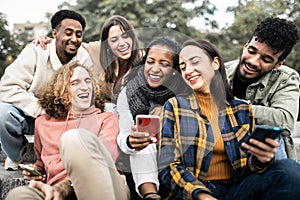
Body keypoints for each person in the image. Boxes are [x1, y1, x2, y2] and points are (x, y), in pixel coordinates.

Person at [158, 39, 300, 200]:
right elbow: (167, 165)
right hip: (194, 193)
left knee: (289, 170)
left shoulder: (241, 110)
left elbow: (247, 169)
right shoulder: (175, 106)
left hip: (234, 192)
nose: (188, 71)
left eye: (195, 62)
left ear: (215, 63)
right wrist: (202, 195)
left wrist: (260, 161)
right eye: (183, 67)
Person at [6, 61, 129, 200]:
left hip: (103, 186)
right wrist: (36, 172)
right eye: (75, 83)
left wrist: (65, 186)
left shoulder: (107, 119)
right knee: (19, 195)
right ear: (61, 90)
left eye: (88, 81)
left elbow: (105, 161)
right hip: (56, 190)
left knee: (73, 139)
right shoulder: (42, 123)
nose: (84, 87)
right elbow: (41, 162)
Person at [0, 9, 92, 171]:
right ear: (54, 33)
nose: (74, 39)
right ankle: (16, 155)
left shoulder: (83, 57)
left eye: (78, 35)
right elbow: (7, 87)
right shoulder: (35, 51)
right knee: (3, 113)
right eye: (68, 33)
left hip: (66, 118)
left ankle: (67, 161)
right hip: (31, 115)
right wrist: (42, 109)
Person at [117, 37, 190, 200]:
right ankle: (150, 195)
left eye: (164, 64)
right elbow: (122, 135)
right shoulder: (129, 92)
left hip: (176, 153)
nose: (155, 69)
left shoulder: (185, 90)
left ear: (173, 69)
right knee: (144, 140)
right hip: (141, 160)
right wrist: (130, 141)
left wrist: (169, 109)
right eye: (150, 62)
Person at [225, 17, 299, 159]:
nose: (253, 62)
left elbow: (285, 120)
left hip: (267, 156)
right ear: (245, 46)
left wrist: (235, 107)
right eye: (252, 51)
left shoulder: (287, 78)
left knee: (271, 136)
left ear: (278, 64)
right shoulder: (220, 71)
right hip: (225, 148)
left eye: (266, 59)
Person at [35, 15, 143, 105]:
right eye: (114, 40)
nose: (122, 43)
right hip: (107, 115)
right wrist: (53, 41)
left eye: (125, 36)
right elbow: (74, 44)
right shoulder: (98, 50)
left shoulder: (145, 59)